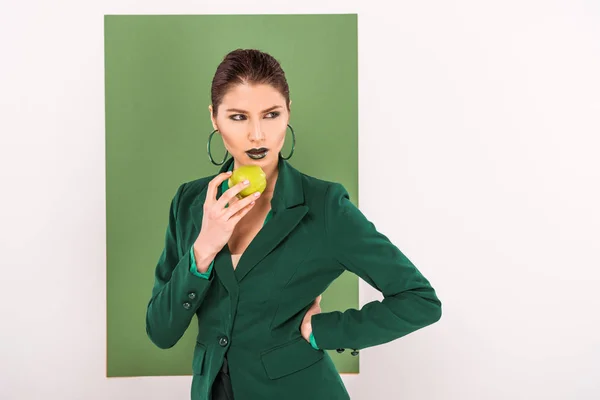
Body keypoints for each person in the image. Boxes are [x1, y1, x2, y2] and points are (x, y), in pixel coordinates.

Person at [145, 48, 442, 400]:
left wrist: (326, 331)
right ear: (214, 118)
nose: (258, 134)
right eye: (238, 117)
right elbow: (161, 331)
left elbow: (420, 300)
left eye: (271, 115)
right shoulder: (189, 203)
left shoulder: (325, 206)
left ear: (288, 113)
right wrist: (203, 249)